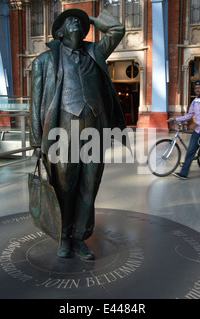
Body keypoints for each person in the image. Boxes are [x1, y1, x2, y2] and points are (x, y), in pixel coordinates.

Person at [29, 9, 125, 260]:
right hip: (62, 132)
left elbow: (117, 30)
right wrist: (36, 141)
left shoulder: (95, 53)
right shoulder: (44, 61)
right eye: (71, 21)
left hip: (94, 129)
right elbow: (36, 104)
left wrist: (91, 20)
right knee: (65, 186)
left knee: (89, 185)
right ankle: (63, 236)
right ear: (59, 33)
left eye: (81, 23)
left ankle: (80, 237)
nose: (77, 23)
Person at [167, 80, 200, 180]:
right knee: (190, 151)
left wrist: (196, 123)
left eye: (199, 87)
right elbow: (189, 115)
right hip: (198, 131)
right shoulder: (194, 102)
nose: (197, 90)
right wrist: (175, 119)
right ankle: (184, 173)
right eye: (195, 88)